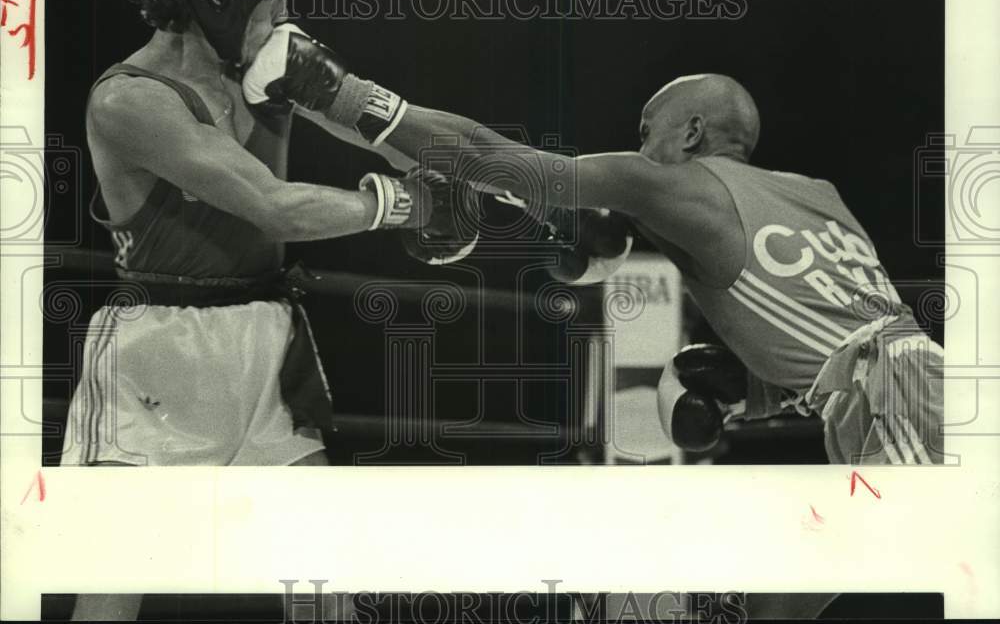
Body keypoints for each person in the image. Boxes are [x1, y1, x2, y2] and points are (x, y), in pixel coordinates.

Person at [62, 0, 474, 620]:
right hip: (160, 345)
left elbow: (380, 128)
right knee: (114, 586)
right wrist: (406, 204)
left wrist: (469, 173)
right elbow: (272, 205)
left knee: (324, 579)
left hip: (265, 336)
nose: (286, 9)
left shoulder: (271, 66)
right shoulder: (129, 100)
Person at [247, 49, 944, 467]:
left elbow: (495, 159)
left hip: (895, 401)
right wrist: (754, 388)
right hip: (912, 384)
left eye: (647, 132)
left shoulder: (666, 183)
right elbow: (837, 326)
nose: (637, 148)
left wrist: (333, 91)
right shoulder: (819, 195)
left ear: (692, 131)